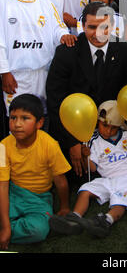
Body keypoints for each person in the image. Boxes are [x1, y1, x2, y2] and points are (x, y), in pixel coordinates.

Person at [46, 2, 127, 177]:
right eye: (91, 27)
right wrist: (72, 142)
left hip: (110, 129)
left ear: (112, 26)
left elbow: (125, 93)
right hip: (73, 130)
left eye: (104, 27)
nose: (97, 34)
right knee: (76, 177)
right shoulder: (66, 53)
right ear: (82, 26)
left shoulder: (125, 50)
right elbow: (55, 100)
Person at [49, 100, 127, 237]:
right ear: (97, 121)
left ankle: (106, 221)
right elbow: (93, 169)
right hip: (106, 178)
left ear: (119, 126)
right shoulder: (92, 139)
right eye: (104, 125)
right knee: (86, 190)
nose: (108, 130)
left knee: (120, 201)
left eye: (113, 128)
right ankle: (74, 219)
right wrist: (86, 156)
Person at [0, 0, 75, 118]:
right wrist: (4, 72)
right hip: (15, 75)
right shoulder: (3, 1)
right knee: (19, 122)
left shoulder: (46, 3)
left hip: (43, 72)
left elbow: (57, 27)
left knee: (41, 119)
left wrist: (63, 35)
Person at [0, 94, 71, 249]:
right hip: (13, 193)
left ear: (39, 123)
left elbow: (60, 181)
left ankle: (9, 228)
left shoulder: (50, 145)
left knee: (38, 230)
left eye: (25, 118)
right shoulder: (3, 145)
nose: (17, 124)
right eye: (13, 118)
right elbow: (3, 186)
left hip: (39, 199)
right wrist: (5, 227)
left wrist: (64, 207)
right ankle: (7, 227)